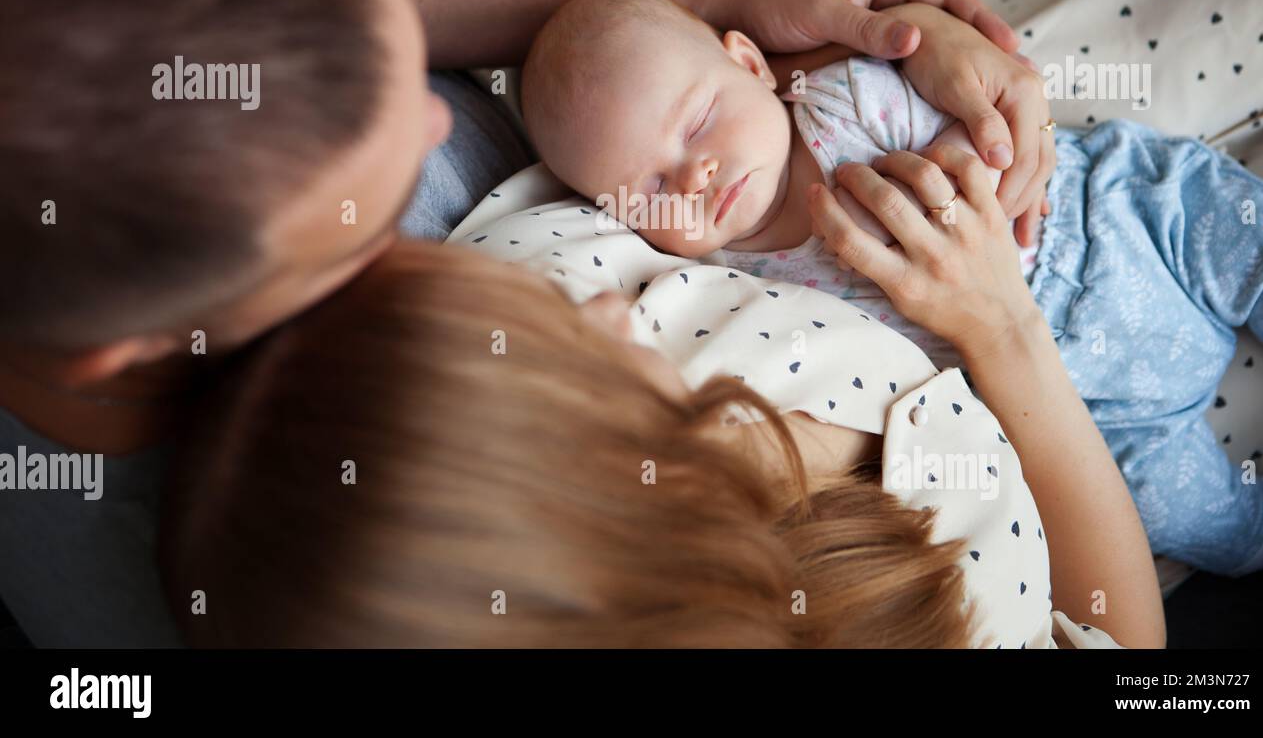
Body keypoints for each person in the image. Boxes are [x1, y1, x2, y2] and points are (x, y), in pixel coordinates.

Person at [0, 0, 1039, 645]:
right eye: (359, 215)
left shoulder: (132, 60)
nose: (435, 115)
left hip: (624, 69)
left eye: (392, 79)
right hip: (632, 144)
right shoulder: (322, 531)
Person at [160, 178, 1166, 647]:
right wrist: (1006, 330)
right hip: (1095, 425)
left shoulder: (538, 277)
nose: (606, 310)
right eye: (583, 356)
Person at [522, 0, 1263, 577]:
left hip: (1122, 221)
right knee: (1181, 513)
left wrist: (968, 154)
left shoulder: (843, 102)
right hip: (1092, 406)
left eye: (697, 125)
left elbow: (980, 119)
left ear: (752, 64)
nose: (696, 173)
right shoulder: (740, 288)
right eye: (653, 189)